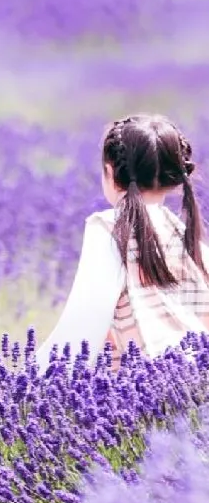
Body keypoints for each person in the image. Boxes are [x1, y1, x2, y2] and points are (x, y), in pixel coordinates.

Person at [35, 113, 209, 374]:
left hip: (147, 387)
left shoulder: (109, 228)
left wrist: (30, 377)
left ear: (110, 171)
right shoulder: (183, 233)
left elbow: (82, 326)